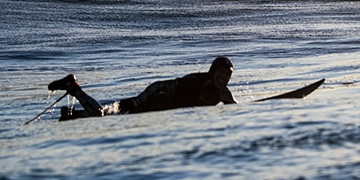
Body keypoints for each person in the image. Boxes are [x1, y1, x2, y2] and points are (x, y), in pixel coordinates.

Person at [47, 56, 237, 120]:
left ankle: (71, 115)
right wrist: (140, 99)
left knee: (101, 115)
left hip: (154, 113)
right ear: (213, 71)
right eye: (221, 73)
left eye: (228, 75)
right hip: (145, 104)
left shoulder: (223, 94)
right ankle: (73, 87)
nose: (224, 78)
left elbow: (236, 109)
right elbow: (159, 85)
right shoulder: (194, 81)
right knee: (101, 116)